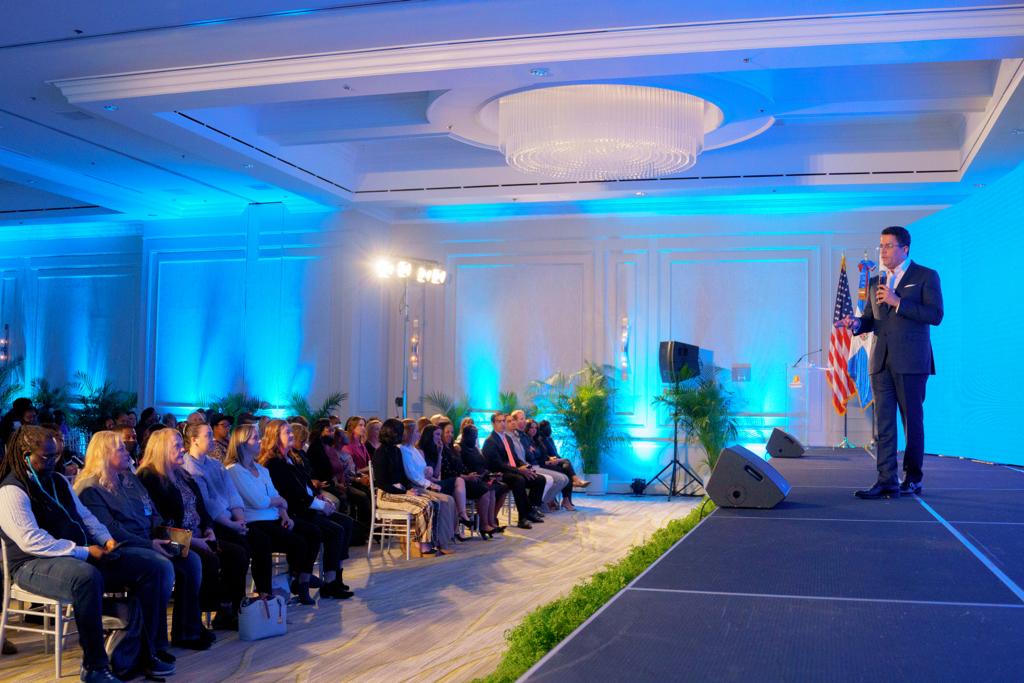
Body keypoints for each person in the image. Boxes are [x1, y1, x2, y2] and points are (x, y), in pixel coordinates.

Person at [0, 425, 176, 682]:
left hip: (76, 554)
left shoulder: (58, 481)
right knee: (86, 577)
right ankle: (95, 666)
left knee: (153, 566)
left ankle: (145, 650)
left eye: (56, 455)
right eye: (46, 457)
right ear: (25, 455)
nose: (53, 462)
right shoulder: (11, 490)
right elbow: (31, 541)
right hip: (32, 564)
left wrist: (107, 540)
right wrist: (83, 552)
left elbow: (87, 517)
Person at [75, 430, 209, 652]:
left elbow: (153, 511)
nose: (127, 452)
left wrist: (163, 535)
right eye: (120, 448)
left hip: (150, 539)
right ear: (104, 454)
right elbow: (110, 530)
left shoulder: (129, 478)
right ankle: (154, 643)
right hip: (120, 549)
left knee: (190, 559)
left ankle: (188, 631)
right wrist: (150, 544)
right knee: (161, 566)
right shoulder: (90, 488)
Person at [837, 225, 944, 499]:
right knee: (883, 425)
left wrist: (899, 302)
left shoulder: (925, 276)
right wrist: (856, 324)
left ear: (904, 249)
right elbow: (871, 320)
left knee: (912, 423)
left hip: (911, 362)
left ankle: (913, 478)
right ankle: (886, 480)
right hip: (880, 362)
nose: (882, 251)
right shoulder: (876, 281)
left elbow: (935, 315)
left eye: (888, 246)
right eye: (881, 246)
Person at [137, 428, 250, 632]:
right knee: (208, 559)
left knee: (237, 553)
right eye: (177, 446)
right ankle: (192, 623)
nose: (183, 449)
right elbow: (159, 523)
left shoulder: (182, 474)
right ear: (162, 449)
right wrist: (193, 540)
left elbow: (201, 507)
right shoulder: (150, 477)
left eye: (182, 445)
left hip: (197, 534)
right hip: (171, 538)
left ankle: (229, 612)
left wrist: (208, 528)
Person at [224, 424, 323, 602]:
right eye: (255, 438)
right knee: (278, 542)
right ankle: (275, 589)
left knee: (309, 533)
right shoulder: (235, 470)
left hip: (273, 517)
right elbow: (258, 501)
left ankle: (300, 580)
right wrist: (277, 502)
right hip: (254, 521)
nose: (260, 441)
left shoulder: (261, 469)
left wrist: (284, 514)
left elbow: (277, 496)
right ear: (242, 444)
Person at [260, 419, 353, 600]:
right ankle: (326, 582)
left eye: (291, 431)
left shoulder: (291, 458)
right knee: (334, 530)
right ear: (275, 437)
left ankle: (336, 577)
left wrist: (320, 497)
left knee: (346, 522)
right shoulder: (273, 463)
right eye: (287, 432)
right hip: (294, 510)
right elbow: (293, 494)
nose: (292, 435)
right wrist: (320, 505)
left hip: (306, 506)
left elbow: (305, 485)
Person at [181, 422, 253, 628]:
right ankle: (227, 606)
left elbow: (231, 492)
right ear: (194, 440)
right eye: (207, 435)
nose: (212, 439)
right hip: (212, 522)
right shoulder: (189, 467)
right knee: (236, 551)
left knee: (247, 544)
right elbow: (208, 503)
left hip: (227, 519)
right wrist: (231, 524)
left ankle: (233, 607)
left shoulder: (215, 464)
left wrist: (239, 518)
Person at [369, 418, 437, 556]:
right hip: (386, 495)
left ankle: (427, 540)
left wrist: (408, 489)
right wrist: (404, 492)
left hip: (399, 491)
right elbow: (382, 483)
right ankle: (422, 543)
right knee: (424, 505)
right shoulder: (380, 453)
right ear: (392, 433)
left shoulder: (396, 450)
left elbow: (402, 476)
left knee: (433, 502)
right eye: (400, 432)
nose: (403, 435)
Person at [400, 420, 457, 552]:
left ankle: (445, 539)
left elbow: (422, 469)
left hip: (423, 483)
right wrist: (429, 484)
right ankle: (440, 542)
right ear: (409, 433)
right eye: (416, 431)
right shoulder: (404, 450)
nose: (419, 434)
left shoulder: (414, 450)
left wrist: (428, 470)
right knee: (444, 501)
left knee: (450, 499)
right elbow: (412, 474)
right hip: (415, 486)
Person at [482, 412, 545, 528]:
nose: (502, 424)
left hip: (512, 470)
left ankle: (530, 510)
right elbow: (498, 465)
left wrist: (525, 467)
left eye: (503, 421)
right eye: (499, 421)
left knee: (539, 479)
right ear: (493, 424)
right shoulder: (490, 441)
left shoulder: (507, 438)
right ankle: (522, 518)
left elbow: (515, 458)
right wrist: (519, 470)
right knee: (519, 480)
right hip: (498, 473)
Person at [439, 420, 499, 538]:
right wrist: (467, 476)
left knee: (492, 488)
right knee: (484, 490)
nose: (450, 434)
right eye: (447, 432)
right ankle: (483, 524)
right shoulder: (445, 449)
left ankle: (490, 522)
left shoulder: (453, 448)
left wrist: (476, 474)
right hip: (453, 482)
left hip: (463, 479)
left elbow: (461, 467)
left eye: (452, 432)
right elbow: (447, 472)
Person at [509, 410, 569, 511]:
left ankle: (543, 503)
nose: (524, 421)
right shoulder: (516, 437)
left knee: (565, 476)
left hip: (535, 464)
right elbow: (528, 455)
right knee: (556, 478)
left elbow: (537, 453)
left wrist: (534, 452)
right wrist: (533, 452)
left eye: (535, 428)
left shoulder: (527, 437)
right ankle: (538, 505)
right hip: (530, 466)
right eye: (521, 419)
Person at [456, 424, 507, 534]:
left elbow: (483, 465)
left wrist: (491, 474)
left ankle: (491, 521)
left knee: (500, 488)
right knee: (486, 489)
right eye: (473, 435)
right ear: (465, 435)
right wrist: (471, 476)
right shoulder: (460, 449)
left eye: (476, 435)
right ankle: (484, 525)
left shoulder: (474, 448)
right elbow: (460, 468)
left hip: (481, 477)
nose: (475, 438)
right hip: (468, 480)